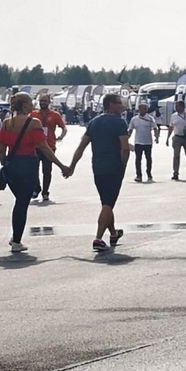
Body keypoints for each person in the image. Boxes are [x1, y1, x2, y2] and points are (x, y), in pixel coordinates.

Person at [0, 92, 73, 254]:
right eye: (31, 103)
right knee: (22, 204)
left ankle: (16, 238)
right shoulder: (34, 123)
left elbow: (1, 150)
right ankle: (16, 241)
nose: (34, 106)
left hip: (12, 166)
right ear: (24, 105)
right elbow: (44, 148)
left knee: (20, 201)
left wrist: (6, 164)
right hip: (27, 166)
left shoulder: (6, 123)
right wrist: (61, 166)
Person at [66, 92, 133, 253]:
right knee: (108, 203)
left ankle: (114, 233)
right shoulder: (119, 122)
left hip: (98, 167)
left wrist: (72, 166)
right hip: (114, 167)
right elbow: (125, 147)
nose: (122, 106)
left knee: (106, 202)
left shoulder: (94, 122)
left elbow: (81, 147)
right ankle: (98, 238)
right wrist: (123, 165)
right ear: (110, 104)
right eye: (119, 103)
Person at [34, 94, 69, 204]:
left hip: (49, 146)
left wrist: (61, 136)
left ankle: (45, 192)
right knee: (33, 169)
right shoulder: (34, 114)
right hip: (36, 146)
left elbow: (64, 128)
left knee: (47, 170)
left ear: (49, 102)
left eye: (45, 101)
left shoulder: (54, 115)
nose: (42, 102)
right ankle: (36, 188)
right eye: (41, 101)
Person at [128, 102, 159, 182]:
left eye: (145, 109)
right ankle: (139, 175)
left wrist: (156, 137)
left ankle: (149, 174)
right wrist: (127, 138)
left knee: (148, 158)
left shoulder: (150, 118)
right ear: (139, 109)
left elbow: (155, 128)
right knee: (138, 159)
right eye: (143, 108)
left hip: (148, 142)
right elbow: (130, 129)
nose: (144, 110)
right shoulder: (134, 119)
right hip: (138, 142)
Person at [166, 99, 186, 181]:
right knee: (176, 155)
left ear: (182, 106)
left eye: (177, 106)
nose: (176, 108)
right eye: (175, 106)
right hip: (177, 137)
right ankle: (175, 173)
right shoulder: (174, 116)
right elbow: (171, 127)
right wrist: (168, 138)